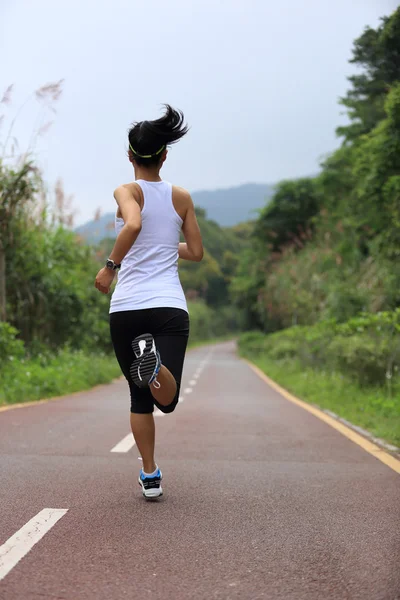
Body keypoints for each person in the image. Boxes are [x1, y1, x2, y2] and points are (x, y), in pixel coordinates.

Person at [95, 104, 203, 499]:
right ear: (165, 155)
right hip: (169, 307)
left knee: (140, 396)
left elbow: (134, 222)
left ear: (130, 156)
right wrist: (164, 246)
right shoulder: (182, 197)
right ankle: (153, 360)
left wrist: (110, 266)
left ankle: (150, 472)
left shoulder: (127, 191)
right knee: (167, 399)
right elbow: (195, 251)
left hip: (127, 307)